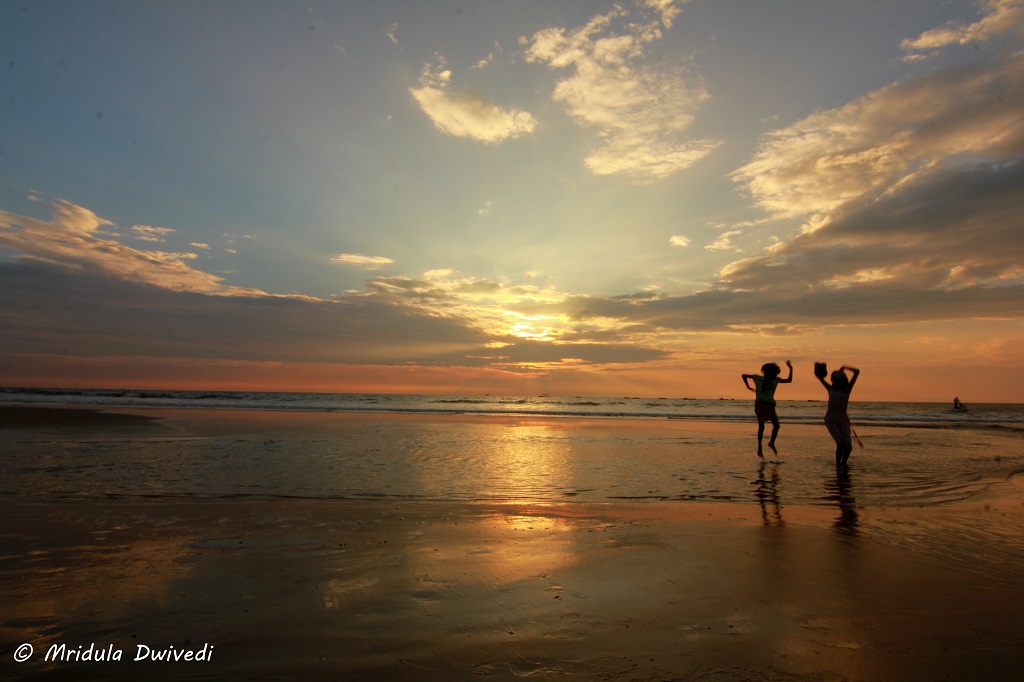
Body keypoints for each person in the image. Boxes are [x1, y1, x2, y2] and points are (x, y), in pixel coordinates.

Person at [741, 361, 793, 457]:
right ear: (766, 372)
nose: (774, 375)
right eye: (773, 373)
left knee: (776, 426)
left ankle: (771, 443)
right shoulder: (758, 378)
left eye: (775, 373)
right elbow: (743, 375)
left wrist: (791, 368)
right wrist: (748, 386)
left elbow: (789, 380)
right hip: (760, 404)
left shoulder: (776, 380)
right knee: (761, 426)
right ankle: (760, 447)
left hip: (770, 405)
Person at [815, 364, 860, 467]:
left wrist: (844, 367)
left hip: (843, 419)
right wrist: (817, 368)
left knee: (848, 446)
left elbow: (856, 372)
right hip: (831, 419)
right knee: (840, 444)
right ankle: (838, 465)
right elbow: (819, 377)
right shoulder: (831, 389)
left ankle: (843, 464)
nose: (837, 381)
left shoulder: (847, 389)